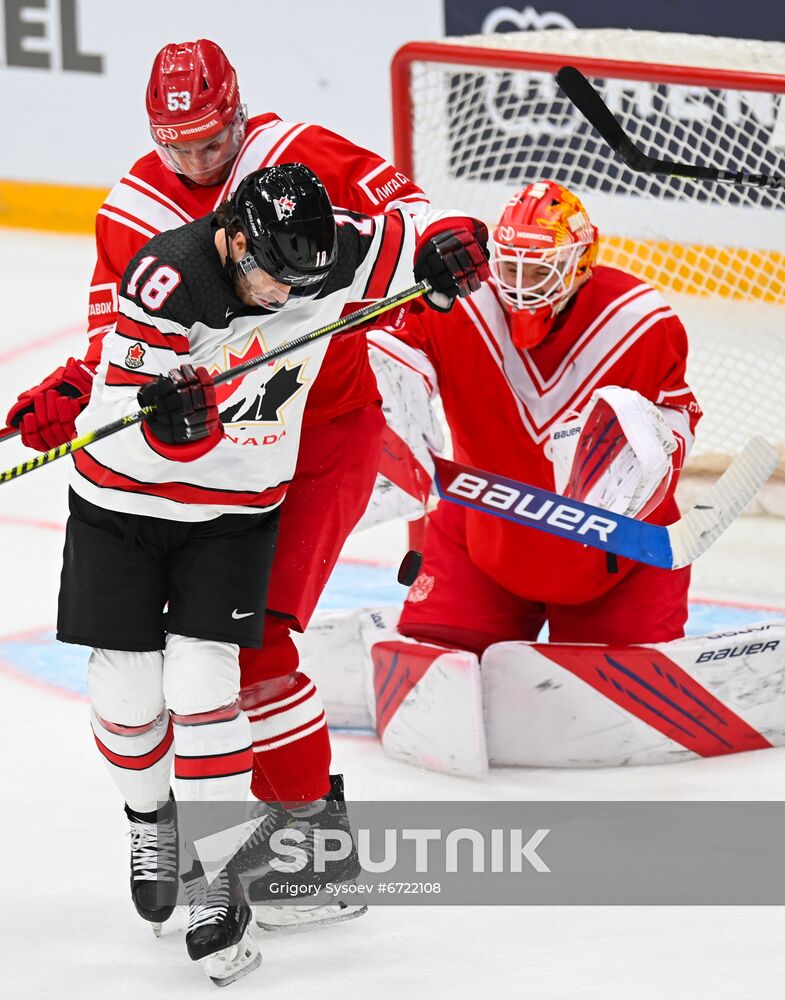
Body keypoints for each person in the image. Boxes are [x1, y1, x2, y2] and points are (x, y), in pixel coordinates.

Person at [5, 39, 435, 932]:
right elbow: (114, 337)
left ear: (238, 115)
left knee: (250, 649)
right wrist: (77, 387)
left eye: (212, 143)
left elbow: (414, 219)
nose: (198, 162)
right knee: (169, 663)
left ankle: (316, 845)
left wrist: (449, 243)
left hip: (321, 439)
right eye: (178, 147)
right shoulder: (132, 207)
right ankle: (242, 825)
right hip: (223, 449)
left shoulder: (299, 155)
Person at [56, 161, 489, 983]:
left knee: (204, 682)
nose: (279, 296)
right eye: (264, 275)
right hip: (124, 508)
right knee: (125, 691)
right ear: (229, 237)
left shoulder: (329, 254)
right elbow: (115, 411)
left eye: (300, 282)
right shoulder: (164, 280)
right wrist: (165, 424)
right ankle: (151, 818)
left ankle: (218, 880)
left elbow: (419, 232)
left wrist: (453, 246)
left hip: (232, 515)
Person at [368, 179, 702, 655]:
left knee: (615, 716)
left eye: (540, 270)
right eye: (511, 267)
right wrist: (391, 411)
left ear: (580, 262)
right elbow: (389, 354)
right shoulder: (456, 303)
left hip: (619, 561)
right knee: (437, 671)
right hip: (479, 537)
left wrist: (650, 458)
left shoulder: (641, 322)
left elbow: (678, 415)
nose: (522, 285)